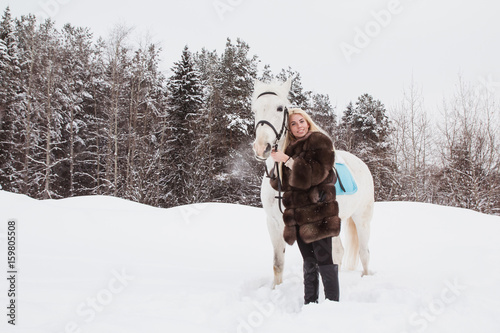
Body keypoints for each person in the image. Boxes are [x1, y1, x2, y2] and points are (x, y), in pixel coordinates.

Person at [269, 108, 340, 304]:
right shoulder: (290, 148)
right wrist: (276, 168)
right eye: (293, 123)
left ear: (307, 122)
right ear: (289, 129)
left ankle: (333, 304)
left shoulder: (320, 141)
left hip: (319, 213)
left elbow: (315, 176)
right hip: (299, 216)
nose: (299, 126)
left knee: (324, 259)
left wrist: (288, 161)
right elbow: (282, 185)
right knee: (309, 262)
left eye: (301, 121)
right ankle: (311, 302)